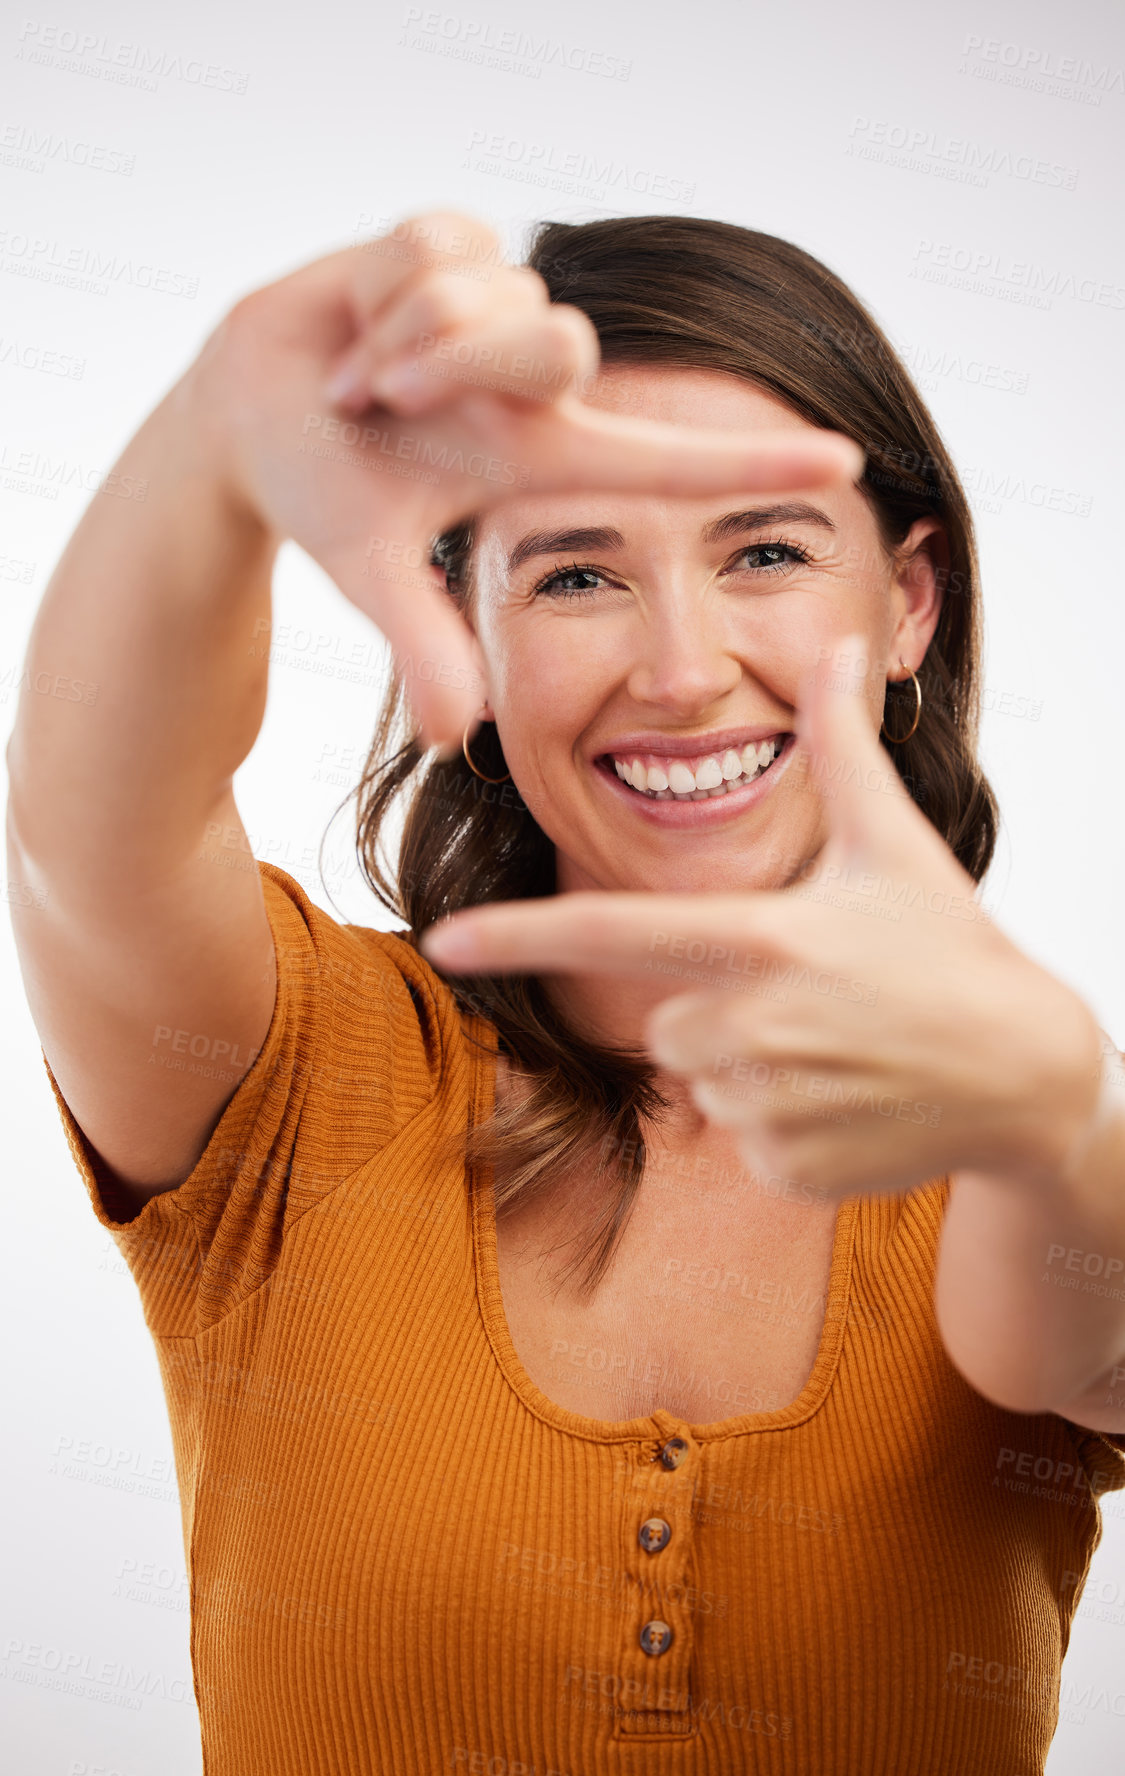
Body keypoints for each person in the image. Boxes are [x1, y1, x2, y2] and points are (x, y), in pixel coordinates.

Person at [8, 208, 1125, 1775]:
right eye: (578, 571)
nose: (677, 669)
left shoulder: (1029, 1132)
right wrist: (210, 440)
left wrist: (1062, 1111)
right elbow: (84, 822)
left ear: (908, 605)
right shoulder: (294, 1079)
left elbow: (1072, 1336)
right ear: (464, 620)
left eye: (765, 551)